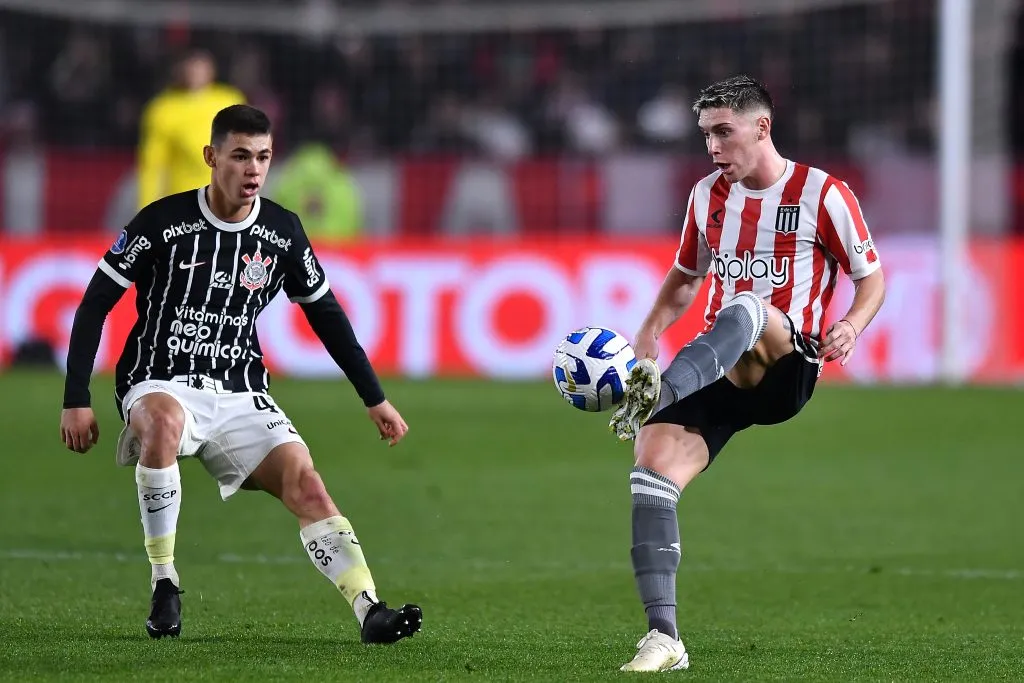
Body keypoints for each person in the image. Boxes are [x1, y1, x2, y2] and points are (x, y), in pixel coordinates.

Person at [59, 104, 422, 645]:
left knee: (308, 484)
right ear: (211, 158)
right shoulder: (161, 223)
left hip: (239, 390)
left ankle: (369, 610)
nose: (253, 169)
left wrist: (375, 398)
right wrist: (76, 397)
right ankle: (165, 584)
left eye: (264, 157)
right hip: (159, 378)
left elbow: (326, 315)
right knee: (160, 424)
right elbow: (94, 306)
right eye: (240, 156)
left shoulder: (281, 233)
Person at [609, 75, 886, 672]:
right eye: (706, 133)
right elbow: (685, 277)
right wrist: (649, 330)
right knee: (651, 477)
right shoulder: (706, 196)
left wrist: (853, 326)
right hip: (719, 374)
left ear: (761, 127)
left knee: (749, 307)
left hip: (785, 364)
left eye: (722, 132)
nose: (711, 146)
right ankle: (664, 638)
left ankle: (660, 390)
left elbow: (871, 279)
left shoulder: (823, 193)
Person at [137, 48, 245, 208]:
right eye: (192, 67)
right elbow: (152, 165)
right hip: (185, 199)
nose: (196, 73)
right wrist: (146, 209)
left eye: (201, 67)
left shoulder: (229, 100)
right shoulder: (164, 109)